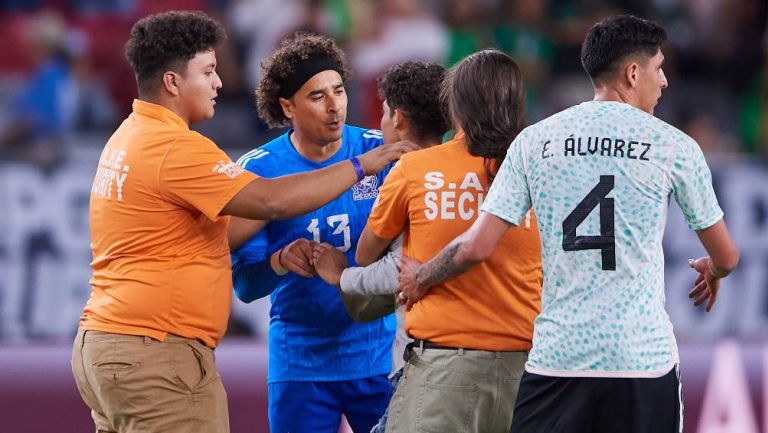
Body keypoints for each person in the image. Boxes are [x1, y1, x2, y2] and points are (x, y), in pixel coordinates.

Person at [70, 12, 413, 433]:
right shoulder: (180, 149)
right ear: (173, 82)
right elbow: (267, 202)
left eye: (339, 91)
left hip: (112, 339)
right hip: (160, 348)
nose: (219, 82)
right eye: (209, 71)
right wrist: (360, 167)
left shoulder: (128, 136)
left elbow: (225, 228)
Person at [397, 15, 740, 433]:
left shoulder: (535, 141)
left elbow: (475, 247)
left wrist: (422, 277)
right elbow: (727, 254)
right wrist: (715, 268)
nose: (664, 80)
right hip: (641, 359)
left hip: (559, 360)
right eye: (658, 67)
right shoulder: (673, 145)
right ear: (633, 73)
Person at [352, 49, 542, 433]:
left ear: (455, 107)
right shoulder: (539, 170)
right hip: (527, 370)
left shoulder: (415, 168)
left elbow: (365, 254)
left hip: (442, 373)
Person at [228, 33, 406, 433]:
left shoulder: (381, 154)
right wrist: (277, 262)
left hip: (380, 358)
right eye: (316, 96)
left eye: (339, 91)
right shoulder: (260, 170)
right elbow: (244, 285)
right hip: (300, 364)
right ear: (287, 106)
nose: (334, 107)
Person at [311, 60, 449, 433]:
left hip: (420, 354)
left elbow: (391, 264)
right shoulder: (471, 169)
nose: (382, 121)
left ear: (398, 117)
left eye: (385, 111)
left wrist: (342, 276)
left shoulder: (404, 173)